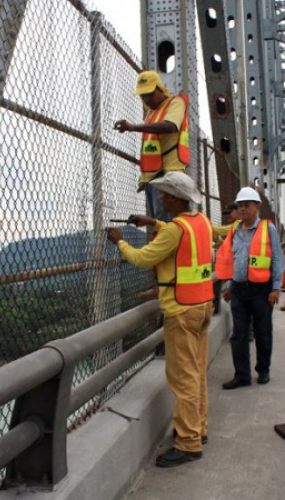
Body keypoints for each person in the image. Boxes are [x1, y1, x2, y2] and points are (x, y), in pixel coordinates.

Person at [106, 172, 213, 467]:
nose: (162, 199)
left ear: (177, 198)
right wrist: (153, 223)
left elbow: (142, 259)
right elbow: (178, 231)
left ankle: (189, 443)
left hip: (180, 311)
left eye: (166, 194)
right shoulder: (200, 222)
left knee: (183, 378)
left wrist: (120, 242)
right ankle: (198, 428)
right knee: (197, 372)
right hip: (203, 305)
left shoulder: (175, 230)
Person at [215, 187, 284, 389]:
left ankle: (263, 370)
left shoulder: (267, 228)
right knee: (239, 334)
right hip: (238, 289)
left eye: (247, 205)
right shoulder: (234, 230)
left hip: (262, 290)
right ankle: (242, 375)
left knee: (263, 332)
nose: (243, 209)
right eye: (240, 205)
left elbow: (278, 258)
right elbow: (231, 260)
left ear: (257, 207)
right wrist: (228, 285)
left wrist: (276, 288)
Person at [114, 70, 190, 221]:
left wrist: (133, 127)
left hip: (168, 173)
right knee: (159, 223)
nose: (147, 99)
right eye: (143, 95)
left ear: (160, 88)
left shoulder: (175, 102)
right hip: (152, 176)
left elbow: (170, 126)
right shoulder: (151, 114)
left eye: (150, 93)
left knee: (166, 223)